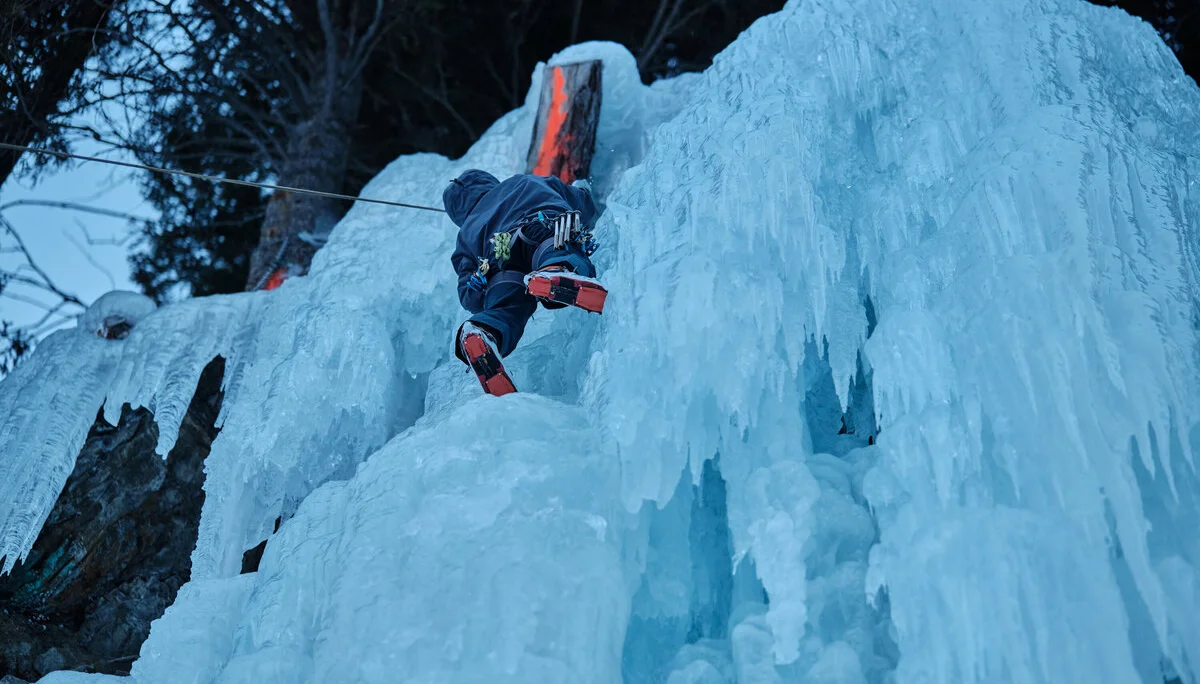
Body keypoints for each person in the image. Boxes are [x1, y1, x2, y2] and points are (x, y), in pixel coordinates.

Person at [444, 169, 608, 396]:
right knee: (556, 250)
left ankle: (485, 331)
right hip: (540, 229)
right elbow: (579, 201)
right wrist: (589, 200)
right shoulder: (523, 181)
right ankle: (555, 271)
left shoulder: (465, 233)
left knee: (506, 305)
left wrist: (479, 292)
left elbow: (468, 292)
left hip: (499, 263)